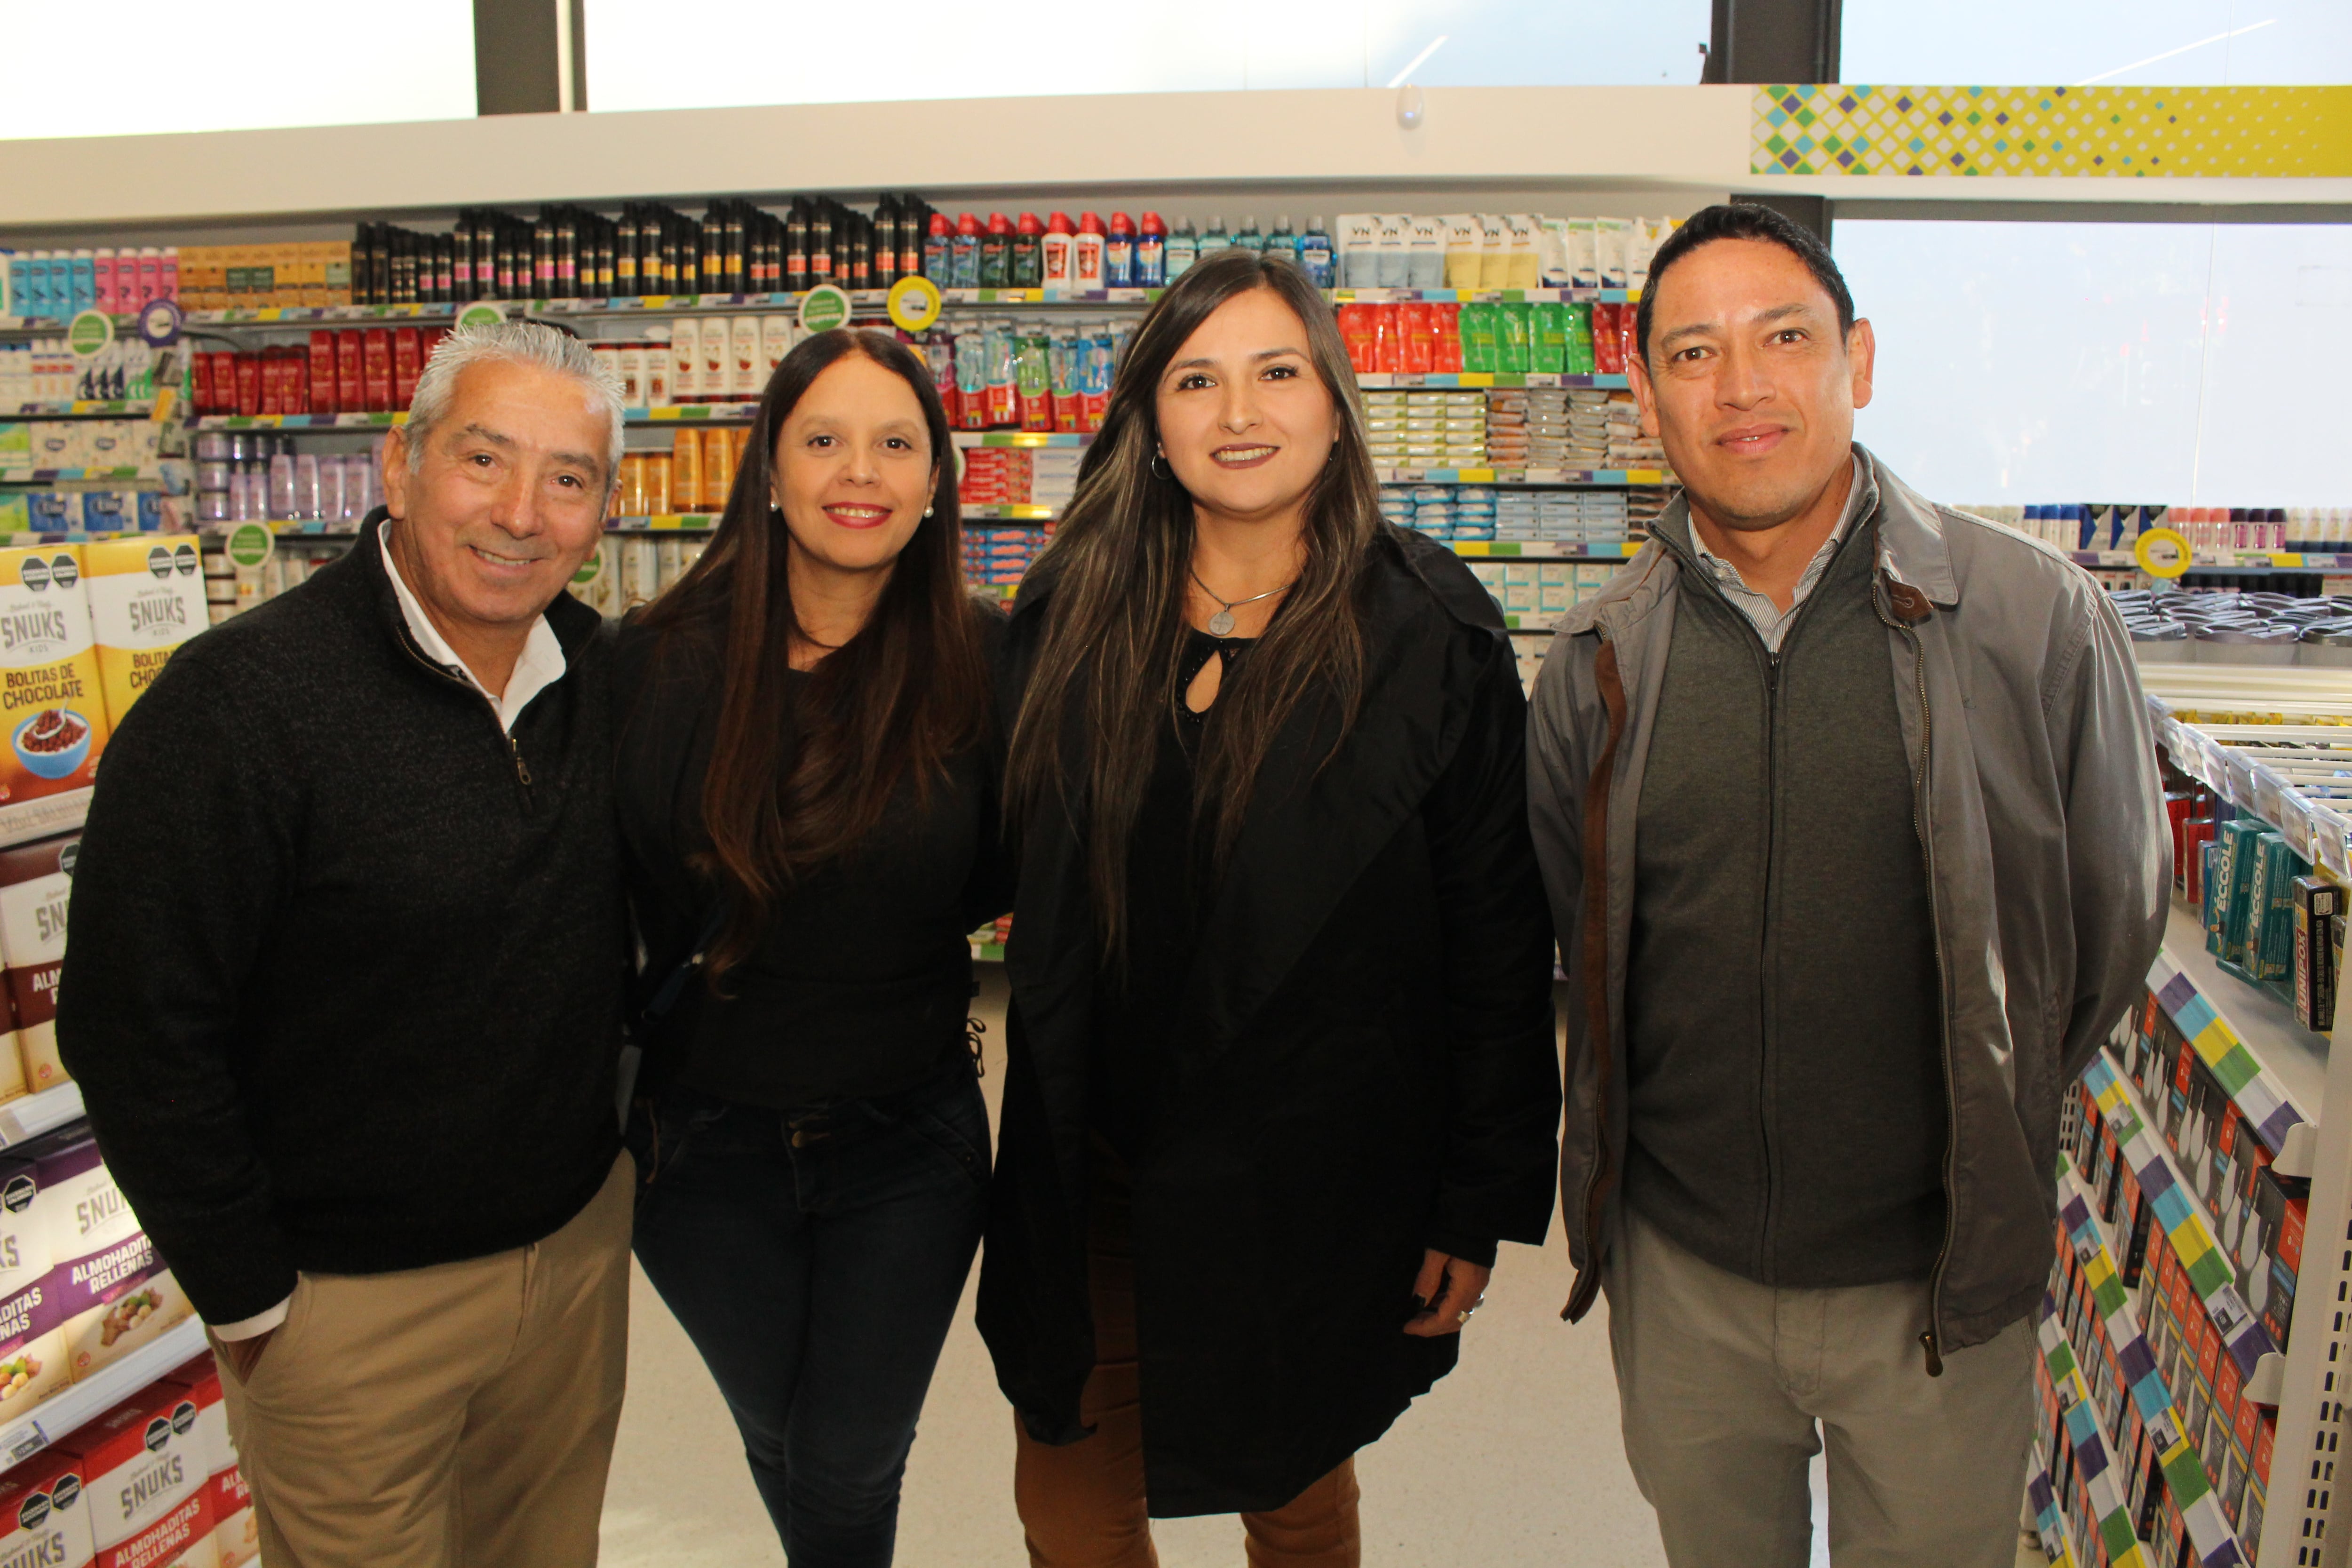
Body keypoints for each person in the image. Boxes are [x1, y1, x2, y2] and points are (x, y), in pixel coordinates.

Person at [1526, 202, 2168, 1568]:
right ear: (1644, 393)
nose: (1741, 385)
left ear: (1858, 360)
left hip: (1933, 1284)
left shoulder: (2032, 617)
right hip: (1685, 1281)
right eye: (1693, 354)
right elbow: (1581, 937)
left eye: (1784, 339)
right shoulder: (1596, 659)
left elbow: (2106, 927)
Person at [985, 247, 1560, 1568]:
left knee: (1295, 1489)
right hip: (1098, 1163)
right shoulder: (1073, 610)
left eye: (1276, 373)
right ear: (1149, 416)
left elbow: (1495, 941)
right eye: (1197, 379)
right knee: (1066, 1491)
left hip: (1312, 1167)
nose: (1238, 414)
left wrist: (1474, 1199)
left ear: (1336, 401)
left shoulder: (1431, 635)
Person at [56, 321, 634, 1568]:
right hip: (347, 1307)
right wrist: (256, 1301)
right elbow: (130, 1022)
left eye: (568, 479)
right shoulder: (240, 706)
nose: (522, 513)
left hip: (571, 1268)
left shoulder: (605, 678)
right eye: (485, 461)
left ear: (606, 512)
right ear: (399, 467)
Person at [614, 327, 1006, 1568]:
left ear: (938, 479)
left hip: (909, 1138)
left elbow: (1026, 870)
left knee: (844, 1458)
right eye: (824, 439)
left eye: (897, 443)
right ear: (769, 471)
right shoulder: (658, 664)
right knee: (781, 1432)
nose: (861, 471)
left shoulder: (990, 665)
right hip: (699, 1149)